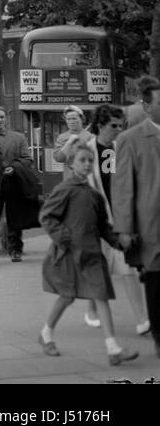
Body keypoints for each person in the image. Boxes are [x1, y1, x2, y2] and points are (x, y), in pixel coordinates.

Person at [38, 146, 137, 365]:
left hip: (92, 254)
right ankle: (46, 333)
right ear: (71, 163)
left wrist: (119, 242)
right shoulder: (65, 189)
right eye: (82, 160)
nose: (86, 164)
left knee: (100, 295)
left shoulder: (95, 195)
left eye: (90, 161)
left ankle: (113, 349)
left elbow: (103, 226)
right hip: (68, 254)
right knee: (67, 296)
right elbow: (47, 216)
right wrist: (64, 237)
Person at [84, 106, 149, 337]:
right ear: (100, 125)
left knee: (126, 267)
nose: (119, 130)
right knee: (98, 268)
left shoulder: (124, 147)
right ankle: (91, 309)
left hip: (120, 219)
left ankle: (142, 320)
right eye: (114, 126)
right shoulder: (87, 150)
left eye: (122, 126)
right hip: (96, 220)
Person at [113, 82, 160, 359]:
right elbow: (122, 188)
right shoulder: (130, 139)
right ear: (146, 106)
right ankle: (159, 334)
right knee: (156, 284)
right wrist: (124, 228)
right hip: (151, 226)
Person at [0, 106, 33, 264]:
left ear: (6, 119)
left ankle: (15, 250)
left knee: (14, 219)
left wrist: (14, 167)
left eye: (2, 117)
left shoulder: (18, 138)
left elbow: (27, 159)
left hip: (14, 184)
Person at [52, 106, 89, 179]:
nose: (71, 122)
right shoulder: (62, 137)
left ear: (81, 119)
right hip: (69, 179)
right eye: (68, 119)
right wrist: (69, 143)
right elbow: (58, 158)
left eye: (74, 119)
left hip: (87, 179)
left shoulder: (91, 137)